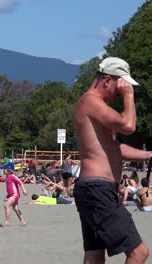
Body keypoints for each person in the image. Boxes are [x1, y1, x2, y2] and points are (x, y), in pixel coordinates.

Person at [73, 57, 151, 263]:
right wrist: (129, 96)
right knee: (139, 252)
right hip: (98, 189)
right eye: (119, 88)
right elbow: (129, 126)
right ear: (107, 80)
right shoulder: (91, 101)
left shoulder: (97, 107)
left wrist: (147, 154)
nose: (120, 94)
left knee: (94, 255)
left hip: (93, 189)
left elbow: (114, 148)